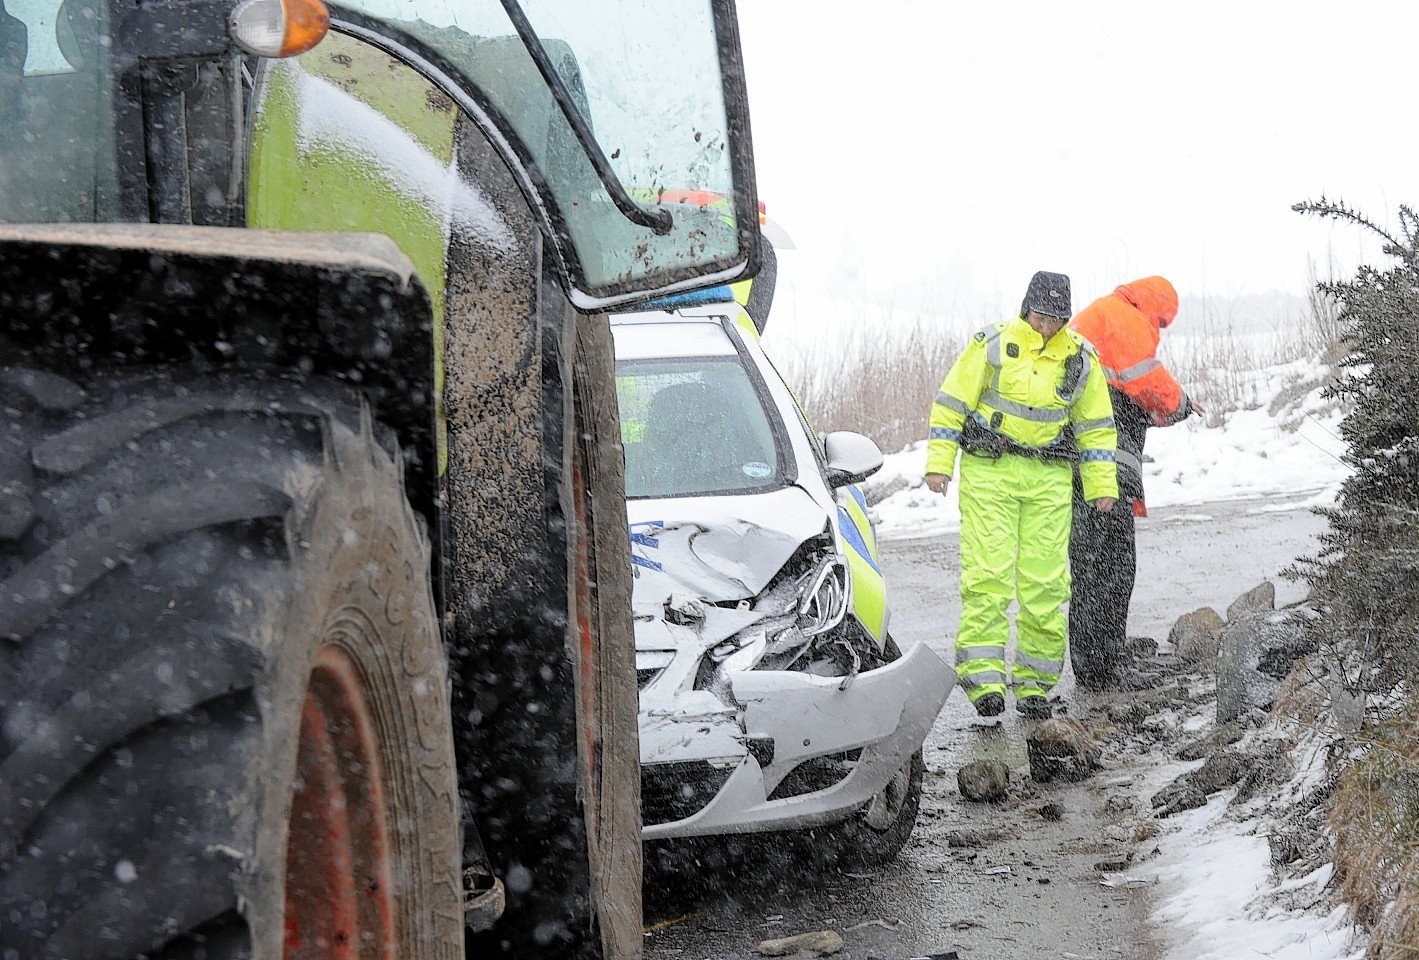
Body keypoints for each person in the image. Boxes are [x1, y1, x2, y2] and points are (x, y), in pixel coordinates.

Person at [925, 271, 1119, 719]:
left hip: (1049, 477)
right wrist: (939, 463)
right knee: (987, 576)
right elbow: (951, 402)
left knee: (1046, 584)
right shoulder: (991, 344)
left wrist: (1102, 485)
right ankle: (983, 680)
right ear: (1025, 308)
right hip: (989, 472)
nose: (1047, 326)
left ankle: (1035, 684)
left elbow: (1096, 426)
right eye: (1040, 315)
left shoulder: (1081, 358)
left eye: (1056, 318)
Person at [1067, 276, 1204, 691]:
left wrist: (1152, 412)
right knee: (1113, 566)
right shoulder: (1124, 318)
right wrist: (1180, 404)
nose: (1158, 331)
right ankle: (1105, 670)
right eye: (1161, 323)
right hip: (1103, 470)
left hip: (1082, 463)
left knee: (1091, 567)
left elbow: (1117, 390)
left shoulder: (1099, 315)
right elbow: (1145, 378)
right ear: (1157, 308)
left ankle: (1095, 664)